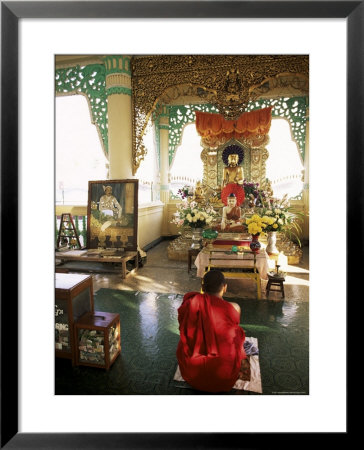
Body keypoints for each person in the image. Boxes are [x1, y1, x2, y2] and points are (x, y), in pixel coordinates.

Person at [176, 270, 246, 393]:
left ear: (202, 287)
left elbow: (184, 329)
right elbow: (233, 336)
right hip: (224, 377)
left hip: (192, 374)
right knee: (238, 334)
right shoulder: (234, 308)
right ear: (225, 288)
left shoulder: (190, 303)